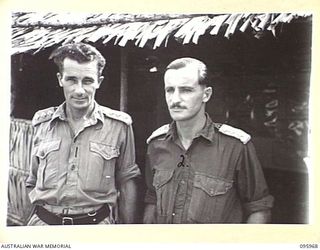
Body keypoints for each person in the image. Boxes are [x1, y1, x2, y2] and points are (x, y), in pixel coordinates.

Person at [143, 57, 274, 224]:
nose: (175, 99)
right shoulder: (156, 144)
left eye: (186, 90)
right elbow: (152, 199)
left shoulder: (236, 147)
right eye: (169, 90)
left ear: (206, 94)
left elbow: (258, 209)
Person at [26, 42, 141, 225]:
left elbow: (127, 184)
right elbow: (31, 181)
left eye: (87, 81)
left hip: (95, 229)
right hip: (43, 226)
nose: (79, 90)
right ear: (60, 79)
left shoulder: (119, 126)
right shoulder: (42, 123)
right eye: (71, 80)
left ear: (99, 82)